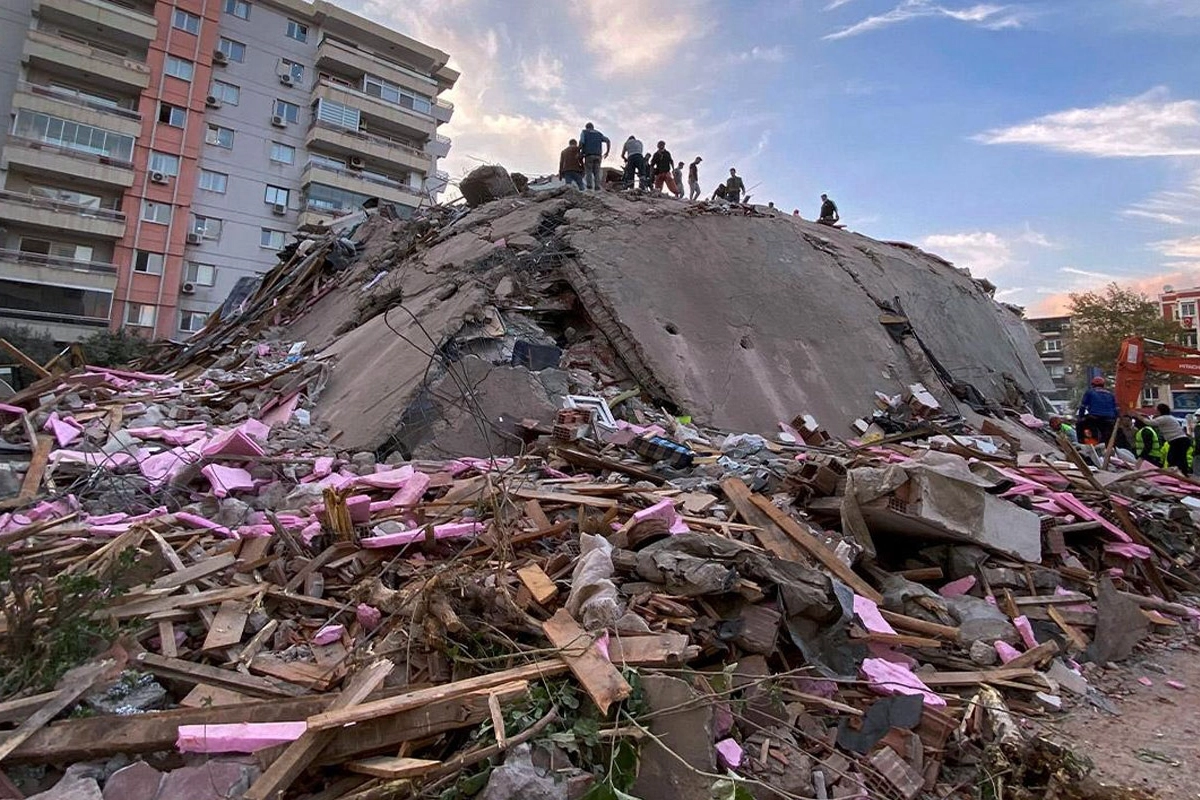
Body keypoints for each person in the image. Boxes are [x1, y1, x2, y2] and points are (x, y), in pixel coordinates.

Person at [1136, 403, 1191, 471]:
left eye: (1157, 410)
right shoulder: (1169, 418)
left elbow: (1150, 422)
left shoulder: (1164, 418)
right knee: (1179, 458)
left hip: (1178, 441)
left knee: (1173, 458)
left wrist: (1139, 417)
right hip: (1181, 440)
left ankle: (1178, 473)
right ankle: (1181, 472)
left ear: (1160, 411)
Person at [1076, 375, 1118, 446]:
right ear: (1103, 385)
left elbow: (1083, 406)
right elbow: (1115, 408)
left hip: (1095, 418)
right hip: (1109, 419)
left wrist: (1080, 417)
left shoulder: (1090, 392)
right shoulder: (1110, 394)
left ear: (1092, 385)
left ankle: (1081, 443)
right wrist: (1115, 418)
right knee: (1109, 436)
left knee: (1079, 425)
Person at [579, 122, 610, 191]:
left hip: (589, 155)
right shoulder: (599, 134)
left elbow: (581, 143)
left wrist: (579, 151)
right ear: (593, 127)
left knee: (589, 171)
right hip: (598, 155)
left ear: (586, 127)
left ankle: (589, 186)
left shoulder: (584, 132)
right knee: (597, 172)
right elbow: (608, 140)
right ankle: (597, 187)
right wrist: (607, 152)